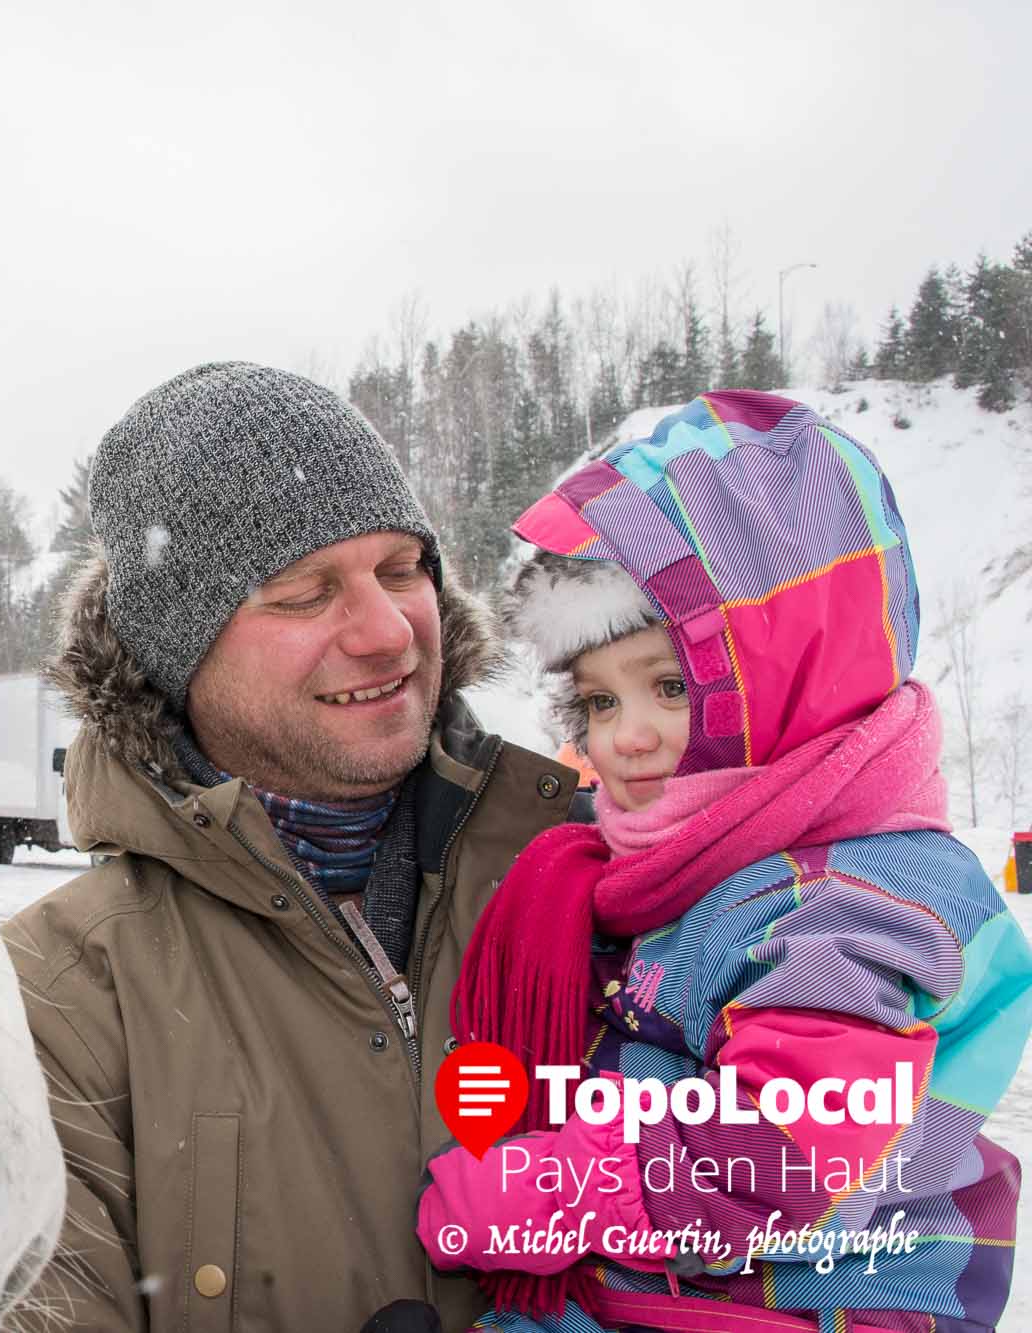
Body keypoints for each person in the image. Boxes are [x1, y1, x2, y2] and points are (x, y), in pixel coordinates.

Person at [415, 390, 1032, 1331]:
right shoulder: (705, 863)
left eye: (669, 684)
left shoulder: (848, 900)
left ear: (790, 681)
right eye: (600, 701)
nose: (625, 737)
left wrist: (548, 1193)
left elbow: (783, 1151)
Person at [8, 362, 586, 1331]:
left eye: (400, 571)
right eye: (300, 591)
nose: (385, 630)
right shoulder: (59, 994)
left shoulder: (588, 878)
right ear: (175, 652)